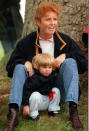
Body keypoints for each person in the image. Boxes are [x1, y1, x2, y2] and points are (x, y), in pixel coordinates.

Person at [3, 1, 87, 131]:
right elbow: (9, 69)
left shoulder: (65, 40)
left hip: (57, 92)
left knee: (70, 61)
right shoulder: (26, 42)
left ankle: (73, 111)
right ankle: (13, 113)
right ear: (38, 22)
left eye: (55, 19)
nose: (53, 23)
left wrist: (66, 56)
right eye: (48, 19)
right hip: (33, 93)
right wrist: (24, 62)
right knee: (19, 67)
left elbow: (83, 65)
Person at [22, 53, 60, 121]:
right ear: (38, 67)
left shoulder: (52, 76)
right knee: (35, 95)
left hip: (47, 101)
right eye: (44, 67)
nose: (47, 70)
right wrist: (26, 105)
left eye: (49, 67)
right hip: (37, 103)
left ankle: (53, 109)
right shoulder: (34, 79)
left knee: (56, 90)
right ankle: (33, 114)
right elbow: (26, 92)